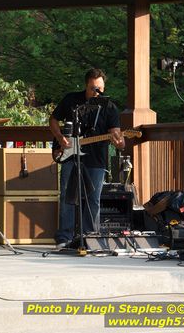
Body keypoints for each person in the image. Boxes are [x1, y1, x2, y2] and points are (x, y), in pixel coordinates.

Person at [49, 68, 125, 249]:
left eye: (100, 88)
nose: (97, 92)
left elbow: (116, 135)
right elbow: (53, 119)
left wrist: (119, 142)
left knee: (93, 198)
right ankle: (64, 237)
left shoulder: (110, 107)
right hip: (70, 155)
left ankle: (90, 237)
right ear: (86, 85)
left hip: (96, 158)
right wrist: (60, 138)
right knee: (68, 195)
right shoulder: (71, 100)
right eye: (93, 88)